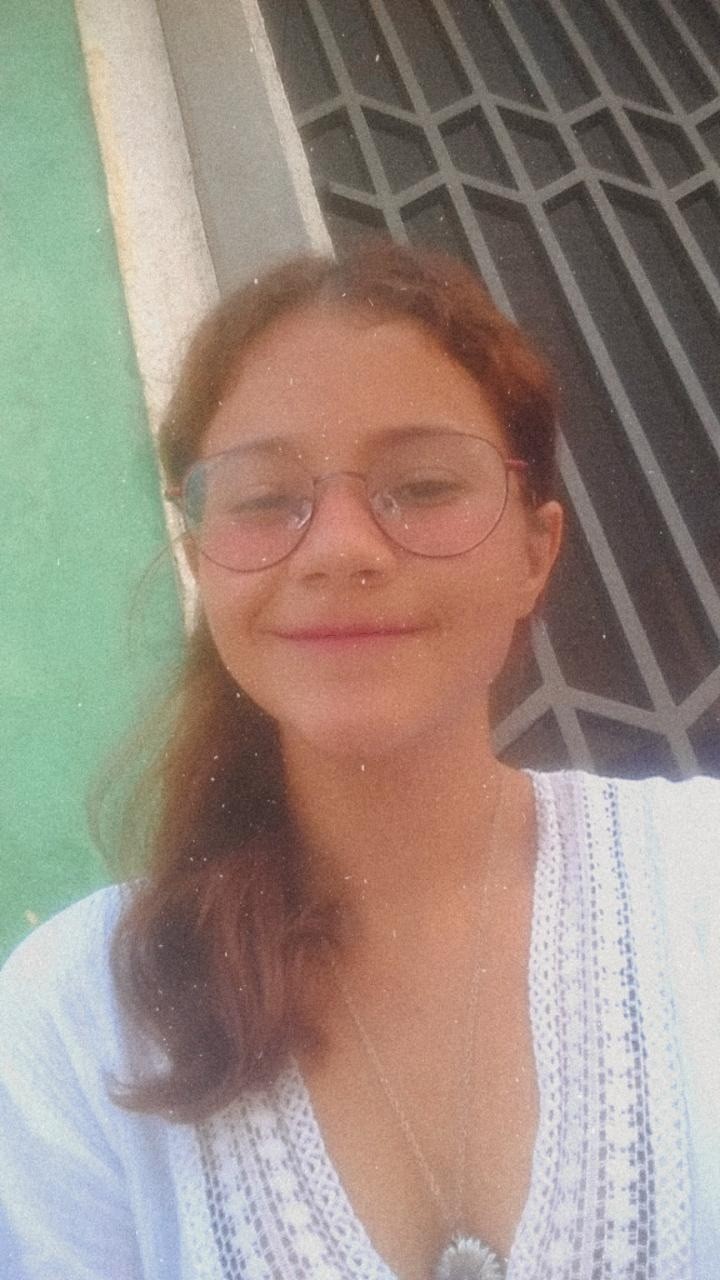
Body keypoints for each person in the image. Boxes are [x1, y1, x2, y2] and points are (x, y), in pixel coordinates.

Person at [0, 239, 718, 1280]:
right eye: (263, 498)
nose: (339, 547)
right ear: (203, 559)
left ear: (536, 549)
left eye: (421, 486)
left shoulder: (698, 880)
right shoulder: (79, 1016)